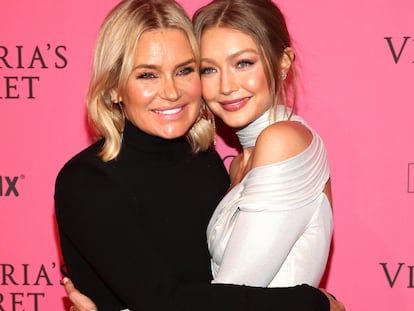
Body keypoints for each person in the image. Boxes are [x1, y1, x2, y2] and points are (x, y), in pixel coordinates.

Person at [55, 0, 345, 310]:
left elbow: (208, 295)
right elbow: (169, 300)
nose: (171, 91)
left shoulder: (205, 162)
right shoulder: (87, 181)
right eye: (147, 75)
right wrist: (312, 304)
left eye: (184, 70)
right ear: (113, 88)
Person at [192, 0, 333, 288]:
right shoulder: (240, 164)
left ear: (283, 61)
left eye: (243, 63)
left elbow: (233, 292)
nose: (226, 86)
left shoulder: (283, 142)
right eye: (209, 70)